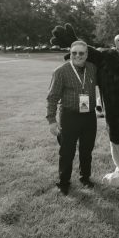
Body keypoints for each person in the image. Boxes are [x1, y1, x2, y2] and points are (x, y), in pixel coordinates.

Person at [46, 40, 97, 195]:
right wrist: (52, 121)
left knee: (86, 149)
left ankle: (85, 177)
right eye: (74, 53)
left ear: (86, 54)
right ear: (70, 53)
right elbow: (52, 97)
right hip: (69, 116)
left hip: (89, 116)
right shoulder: (61, 71)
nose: (77, 56)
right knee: (67, 151)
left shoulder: (92, 68)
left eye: (81, 53)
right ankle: (63, 182)